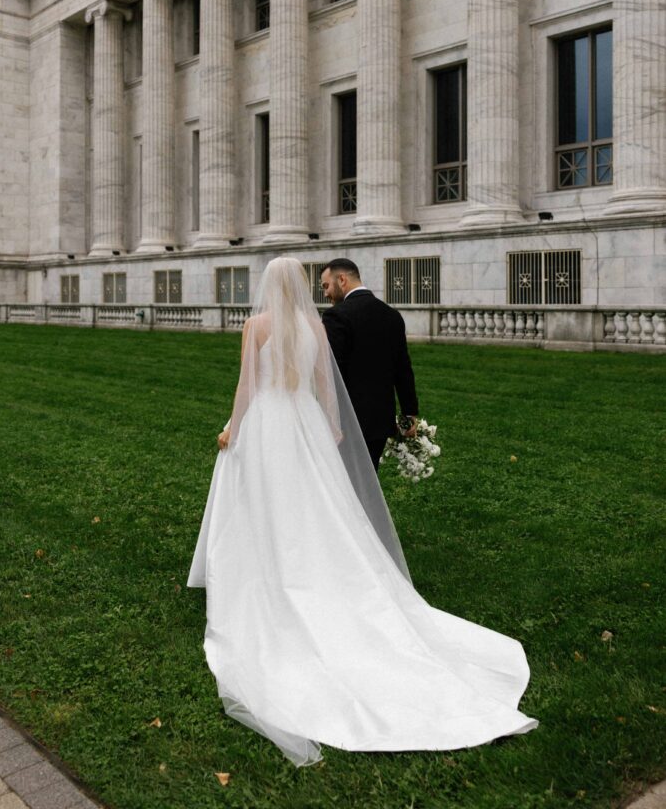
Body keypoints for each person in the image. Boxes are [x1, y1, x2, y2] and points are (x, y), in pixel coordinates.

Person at [188, 256, 537, 767]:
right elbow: (327, 389)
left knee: (268, 500)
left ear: (268, 287)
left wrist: (232, 430)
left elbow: (246, 387)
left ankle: (269, 574)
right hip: (304, 419)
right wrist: (329, 430)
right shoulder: (314, 326)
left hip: (269, 420)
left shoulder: (256, 326)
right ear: (304, 286)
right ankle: (316, 569)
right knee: (318, 505)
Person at [320, 258, 418, 470]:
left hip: (348, 421)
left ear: (342, 279)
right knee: (368, 479)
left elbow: (333, 371)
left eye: (326, 286)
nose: (326, 293)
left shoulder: (335, 316)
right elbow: (403, 368)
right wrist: (409, 412)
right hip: (380, 422)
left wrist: (329, 417)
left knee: (344, 485)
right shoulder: (392, 315)